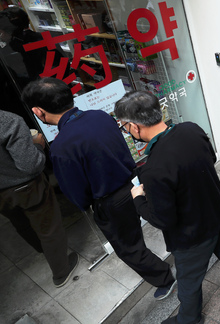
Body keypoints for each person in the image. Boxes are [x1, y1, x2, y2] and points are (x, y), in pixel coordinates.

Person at [21, 78, 176, 299]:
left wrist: (90, 205)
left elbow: (76, 194)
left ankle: (165, 279)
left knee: (129, 248)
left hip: (111, 202)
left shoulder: (62, 146)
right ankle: (178, 254)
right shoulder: (100, 116)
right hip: (136, 183)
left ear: (38, 111)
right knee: (151, 222)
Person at [114, 92, 220, 323]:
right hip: (215, 212)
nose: (125, 130)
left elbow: (162, 219)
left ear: (135, 127)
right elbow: (211, 158)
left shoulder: (154, 168)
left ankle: (189, 319)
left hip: (191, 236)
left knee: (188, 280)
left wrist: (139, 199)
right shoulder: (191, 129)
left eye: (124, 126)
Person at [0, 110, 77, 287]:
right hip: (25, 186)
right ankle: (61, 272)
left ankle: (43, 249)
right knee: (49, 227)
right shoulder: (9, 121)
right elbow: (30, 165)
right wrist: (37, 145)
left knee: (19, 222)